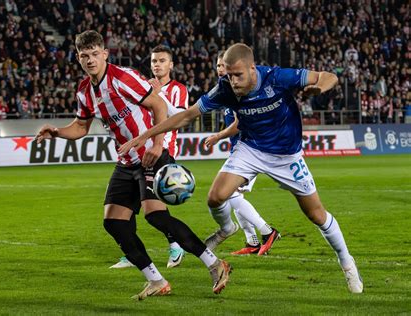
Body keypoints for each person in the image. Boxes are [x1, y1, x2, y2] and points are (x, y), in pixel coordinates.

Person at [118, 43, 363, 294]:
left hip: (287, 156)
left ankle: (346, 262)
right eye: (229, 75)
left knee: (316, 214)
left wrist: (319, 87)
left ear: (252, 68)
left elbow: (328, 76)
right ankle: (227, 228)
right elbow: (187, 115)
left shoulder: (276, 77)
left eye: (238, 75)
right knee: (215, 197)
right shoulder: (224, 88)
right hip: (251, 149)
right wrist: (145, 135)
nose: (233, 81)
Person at [35, 30, 231, 300]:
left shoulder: (122, 77)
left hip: (151, 154)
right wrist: (56, 132)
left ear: (104, 53)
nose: (90, 60)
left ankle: (215, 264)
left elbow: (159, 106)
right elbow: (81, 127)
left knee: (156, 216)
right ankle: (156, 280)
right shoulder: (84, 91)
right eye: (84, 56)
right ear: (78, 58)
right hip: (126, 161)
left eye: (95, 54)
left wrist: (158, 144)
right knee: (114, 222)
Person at [110, 45, 188, 269]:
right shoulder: (142, 85)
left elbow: (180, 116)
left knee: (156, 201)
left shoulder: (177, 89)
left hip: (162, 149)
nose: (157, 65)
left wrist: (158, 94)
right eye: (154, 61)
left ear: (171, 65)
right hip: (139, 151)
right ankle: (132, 252)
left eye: (162, 61)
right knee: (129, 201)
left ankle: (176, 244)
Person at [204, 51, 279, 256]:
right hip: (240, 151)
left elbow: (239, 124)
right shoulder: (226, 89)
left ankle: (267, 231)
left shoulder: (239, 90)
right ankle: (252, 241)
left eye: (223, 66)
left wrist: (217, 136)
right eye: (218, 66)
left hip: (252, 151)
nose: (220, 70)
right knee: (233, 197)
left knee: (230, 195)